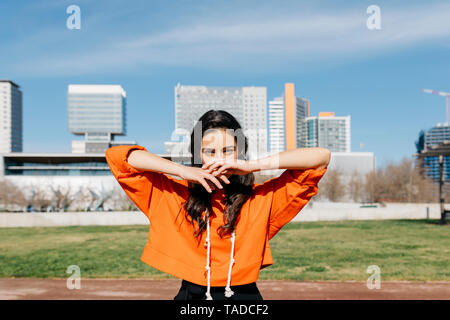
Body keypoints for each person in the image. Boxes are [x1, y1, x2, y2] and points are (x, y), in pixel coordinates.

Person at [105, 109, 330, 300]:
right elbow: (120, 159)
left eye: (228, 151)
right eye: (209, 152)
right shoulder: (175, 196)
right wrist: (183, 170)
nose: (219, 159)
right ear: (198, 154)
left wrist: (253, 166)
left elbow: (321, 157)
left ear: (239, 151)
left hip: (245, 300)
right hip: (191, 297)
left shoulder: (260, 199)